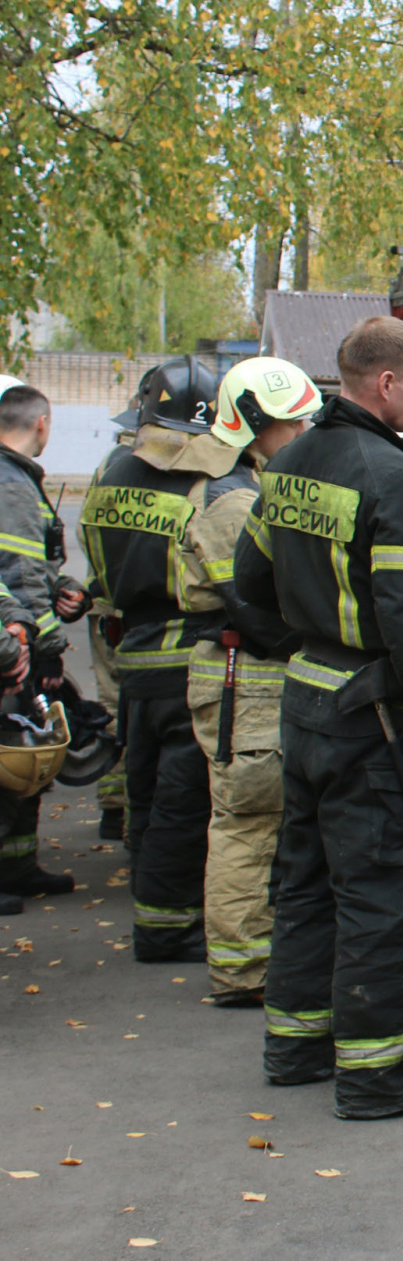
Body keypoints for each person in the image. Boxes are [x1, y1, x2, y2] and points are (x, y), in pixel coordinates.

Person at [234, 315, 403, 1119]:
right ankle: (379, 1076)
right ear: (384, 384)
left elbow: (248, 583)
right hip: (373, 719)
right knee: (385, 895)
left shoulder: (293, 459)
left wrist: (306, 645)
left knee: (304, 884)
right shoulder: (397, 477)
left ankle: (296, 1046)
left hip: (306, 703)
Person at [82, 356, 238, 964]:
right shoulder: (206, 485)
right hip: (188, 656)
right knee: (184, 796)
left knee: (145, 785)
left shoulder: (110, 472)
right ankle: (169, 928)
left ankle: (152, 909)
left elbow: (94, 560)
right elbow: (234, 581)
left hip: (132, 652)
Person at [176, 358, 321, 1005]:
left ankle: (253, 959)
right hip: (247, 678)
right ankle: (241, 971)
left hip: (252, 679)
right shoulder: (230, 497)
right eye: (294, 421)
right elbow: (259, 611)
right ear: (256, 423)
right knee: (247, 822)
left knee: (257, 820)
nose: (304, 430)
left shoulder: (242, 483)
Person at [0, 384, 90, 905]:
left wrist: (64, 590)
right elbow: (18, 576)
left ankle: (17, 867)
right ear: (42, 424)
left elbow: (36, 569)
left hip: (16, 638)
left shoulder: (18, 481)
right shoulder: (12, 486)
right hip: (14, 646)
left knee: (21, 763)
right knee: (10, 759)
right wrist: (48, 647)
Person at [84, 396, 140, 844]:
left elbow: (89, 533)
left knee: (111, 702)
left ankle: (113, 806)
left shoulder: (110, 466)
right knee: (130, 707)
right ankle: (123, 808)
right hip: (134, 611)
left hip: (107, 606)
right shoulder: (150, 469)